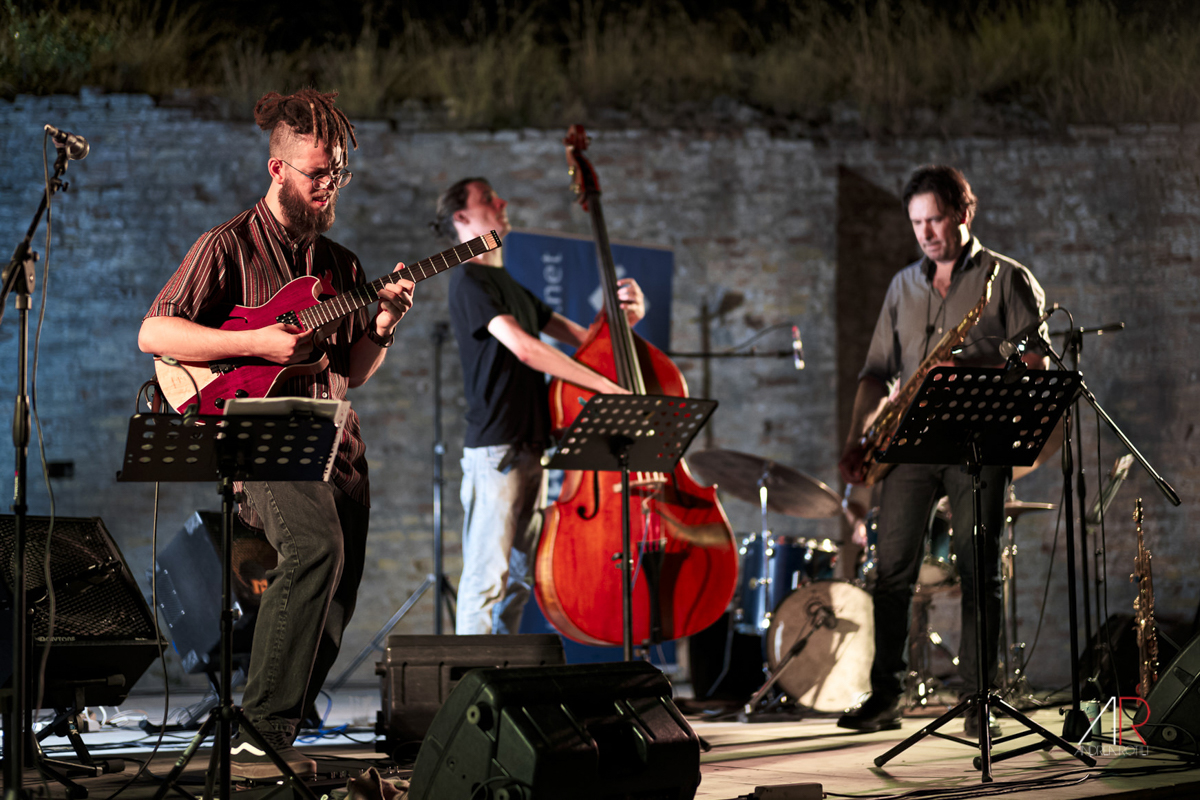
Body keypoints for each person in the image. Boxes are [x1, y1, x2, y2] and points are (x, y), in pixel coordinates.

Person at [138, 89, 415, 780]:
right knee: (316, 547)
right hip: (257, 434)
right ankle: (259, 727)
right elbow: (155, 331)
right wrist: (260, 342)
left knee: (340, 579)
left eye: (338, 173)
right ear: (278, 170)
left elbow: (354, 370)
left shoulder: (343, 267)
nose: (330, 186)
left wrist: (384, 325)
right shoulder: (226, 245)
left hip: (332, 439)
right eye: (318, 173)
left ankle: (276, 725)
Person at [837, 165, 1048, 738]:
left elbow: (1037, 366)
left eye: (935, 219)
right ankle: (885, 697)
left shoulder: (1007, 279)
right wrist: (860, 435)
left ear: (964, 213)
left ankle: (981, 700)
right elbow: (878, 372)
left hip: (977, 444)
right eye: (917, 223)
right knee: (891, 572)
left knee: (979, 572)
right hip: (908, 444)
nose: (927, 232)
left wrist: (973, 368)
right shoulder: (903, 284)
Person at [431, 178, 645, 636]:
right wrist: (608, 389)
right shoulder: (469, 279)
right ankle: (473, 691)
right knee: (486, 582)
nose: (502, 202)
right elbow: (526, 349)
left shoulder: (509, 283)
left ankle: (503, 682)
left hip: (533, 450)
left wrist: (627, 318)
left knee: (519, 582)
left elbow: (589, 342)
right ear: (461, 218)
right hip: (498, 453)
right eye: (488, 198)